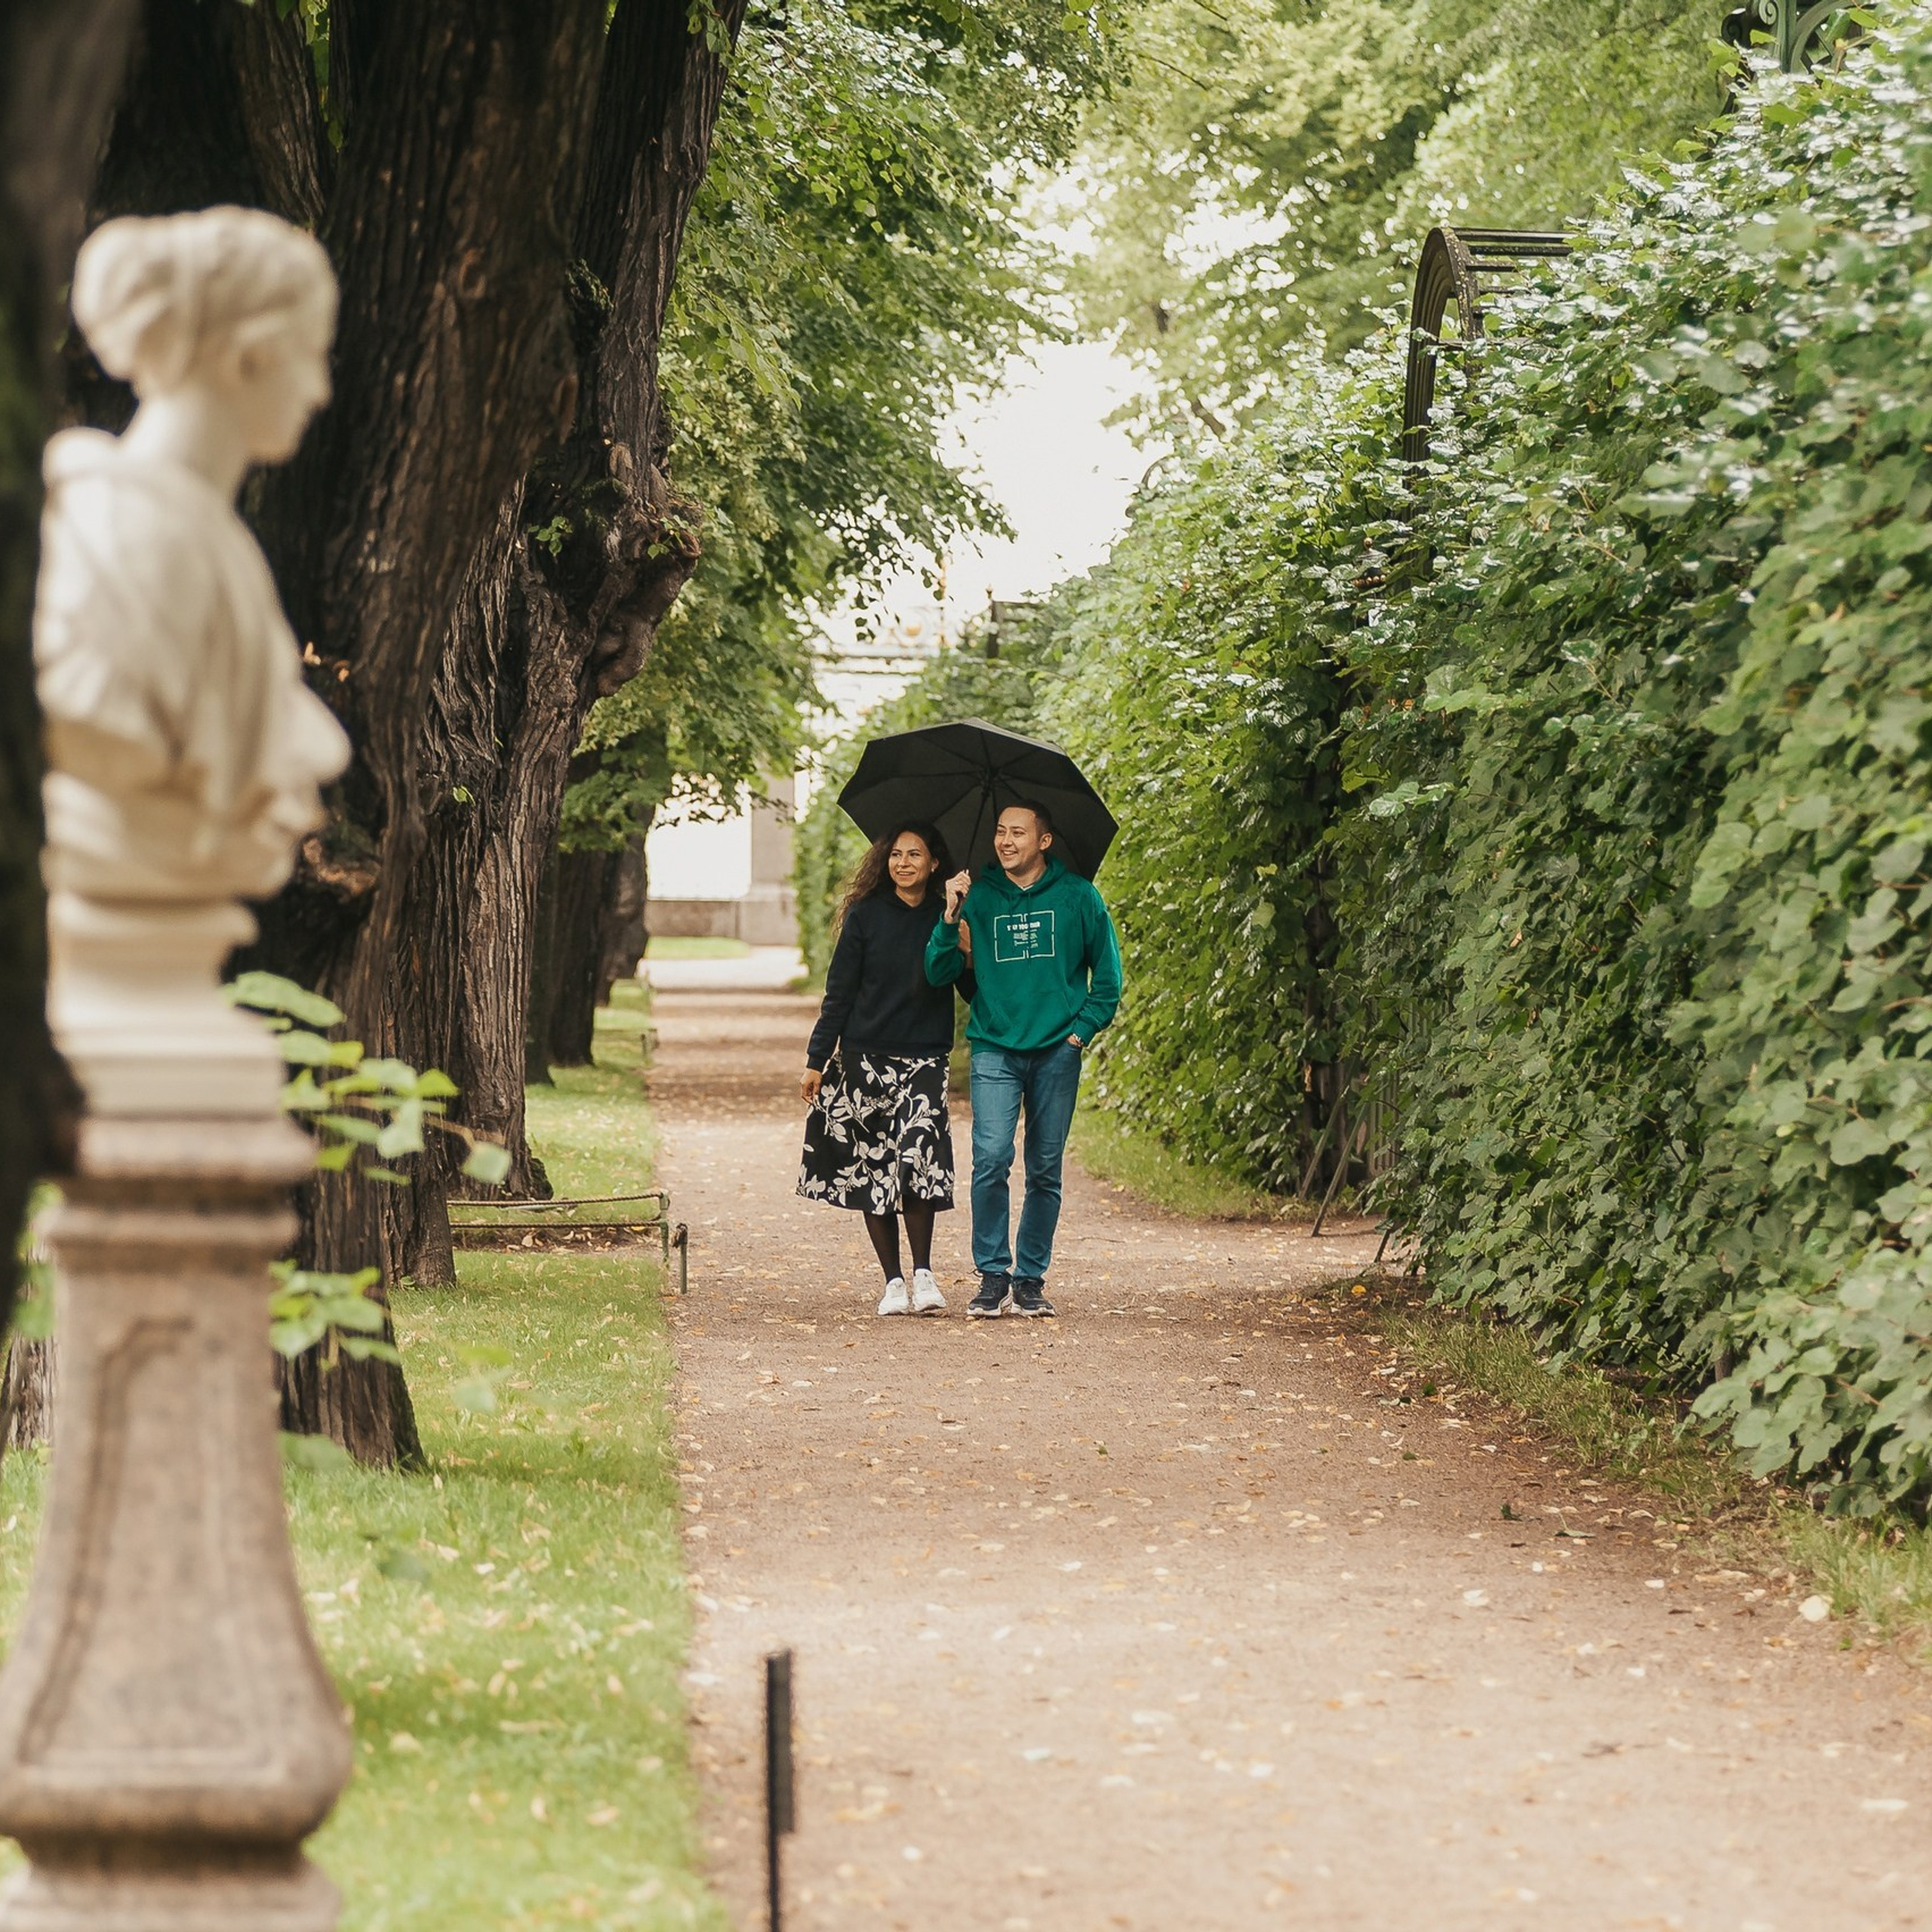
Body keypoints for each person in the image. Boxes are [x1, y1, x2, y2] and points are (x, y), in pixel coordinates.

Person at [925, 801, 1121, 1318]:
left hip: (1058, 1051)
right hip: (994, 1047)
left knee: (1044, 1169)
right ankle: (993, 1275)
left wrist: (1079, 1034)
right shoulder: (978, 898)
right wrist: (949, 916)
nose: (1006, 841)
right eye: (1000, 832)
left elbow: (1108, 979)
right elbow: (938, 971)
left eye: (1018, 832)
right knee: (990, 1158)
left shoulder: (1079, 897)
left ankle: (1030, 1279)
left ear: (1045, 841)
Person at [798, 823, 971, 1315]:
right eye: (896, 854)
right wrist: (817, 1059)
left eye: (915, 855)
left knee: (917, 1164)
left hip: (924, 1057)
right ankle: (893, 1282)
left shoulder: (949, 918)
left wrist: (967, 948)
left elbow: (972, 992)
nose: (903, 863)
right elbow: (840, 994)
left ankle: (924, 1275)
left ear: (934, 863)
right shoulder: (865, 916)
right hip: (864, 1057)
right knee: (874, 1166)